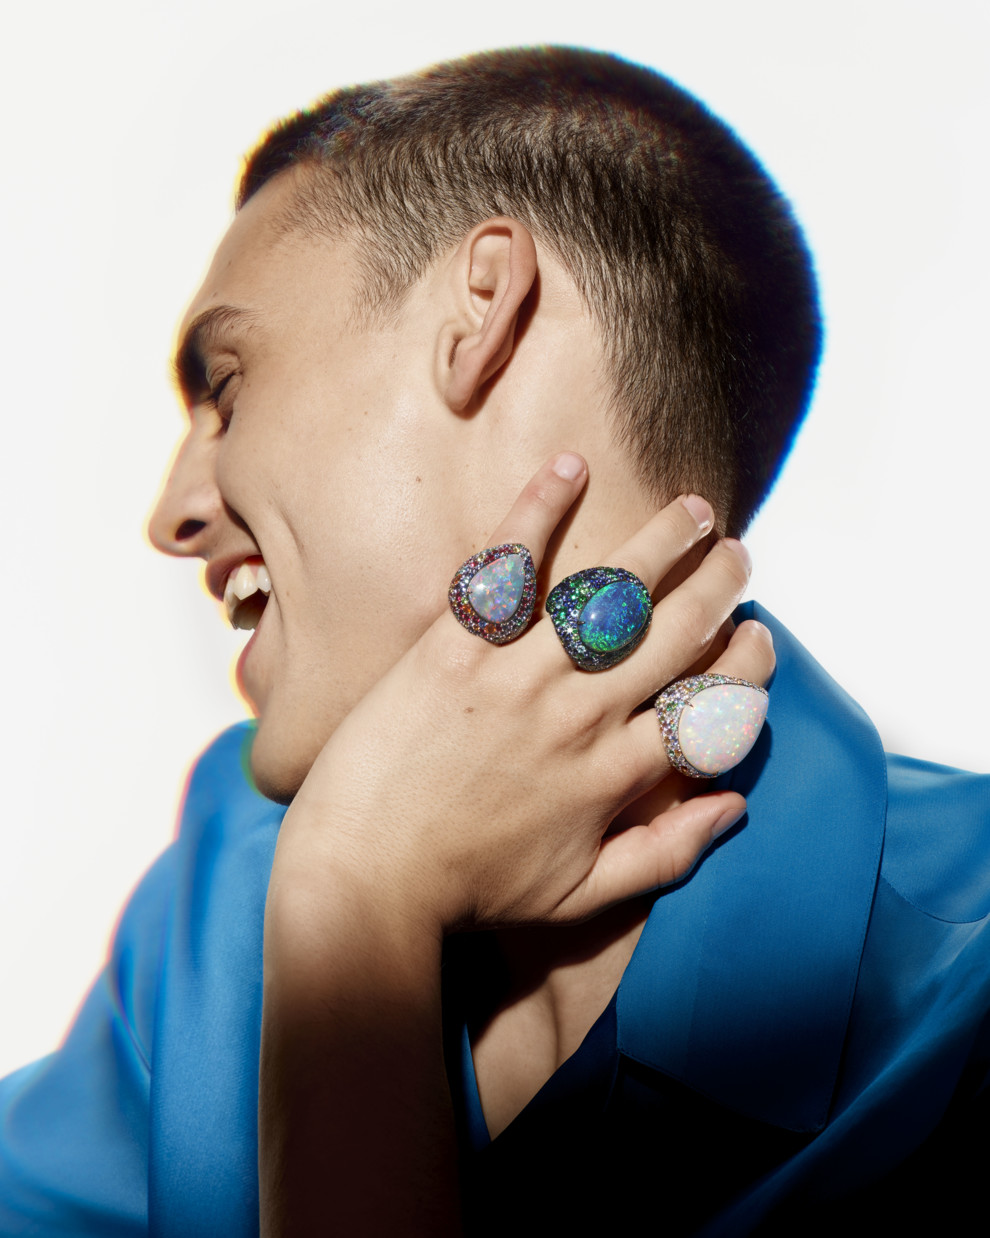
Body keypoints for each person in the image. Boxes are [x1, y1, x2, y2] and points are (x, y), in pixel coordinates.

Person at [1, 45, 987, 1237]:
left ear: (484, 307)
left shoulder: (958, 975)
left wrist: (356, 894)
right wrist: (343, 873)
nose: (171, 514)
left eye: (229, 385)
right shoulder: (218, 899)